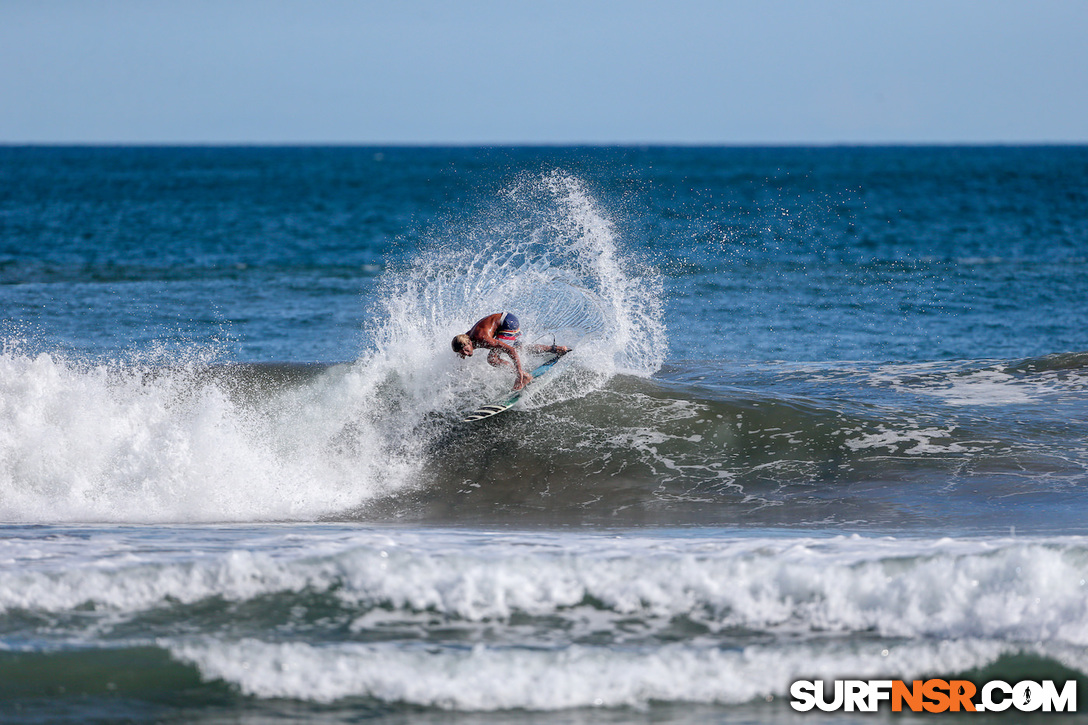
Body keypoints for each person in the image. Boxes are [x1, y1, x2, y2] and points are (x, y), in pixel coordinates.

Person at [452, 312, 570, 390]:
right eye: (463, 353)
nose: (467, 354)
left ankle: (524, 376)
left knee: (492, 359)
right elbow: (460, 354)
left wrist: (518, 373)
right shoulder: (465, 341)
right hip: (505, 321)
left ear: (469, 343)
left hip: (507, 323)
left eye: (466, 351)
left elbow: (511, 351)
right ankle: (557, 349)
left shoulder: (483, 339)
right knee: (521, 348)